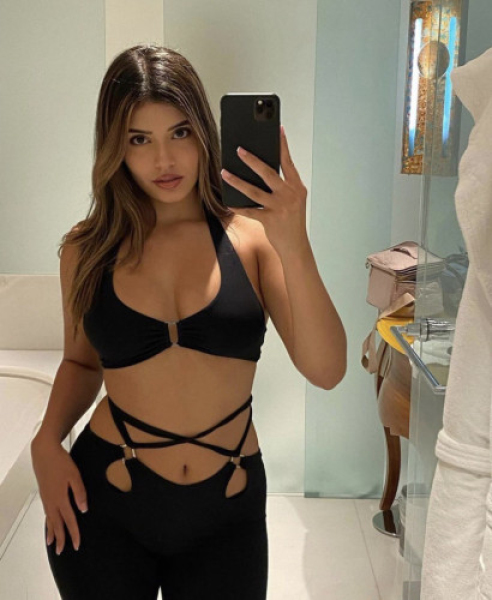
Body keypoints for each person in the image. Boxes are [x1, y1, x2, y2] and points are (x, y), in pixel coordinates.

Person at [30, 43, 346, 600]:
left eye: (179, 133)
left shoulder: (252, 240)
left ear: (204, 130)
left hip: (226, 510)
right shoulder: (87, 249)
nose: (164, 160)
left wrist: (294, 241)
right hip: (104, 503)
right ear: (115, 147)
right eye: (139, 139)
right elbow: (81, 362)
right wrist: (46, 443)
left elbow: (327, 370)